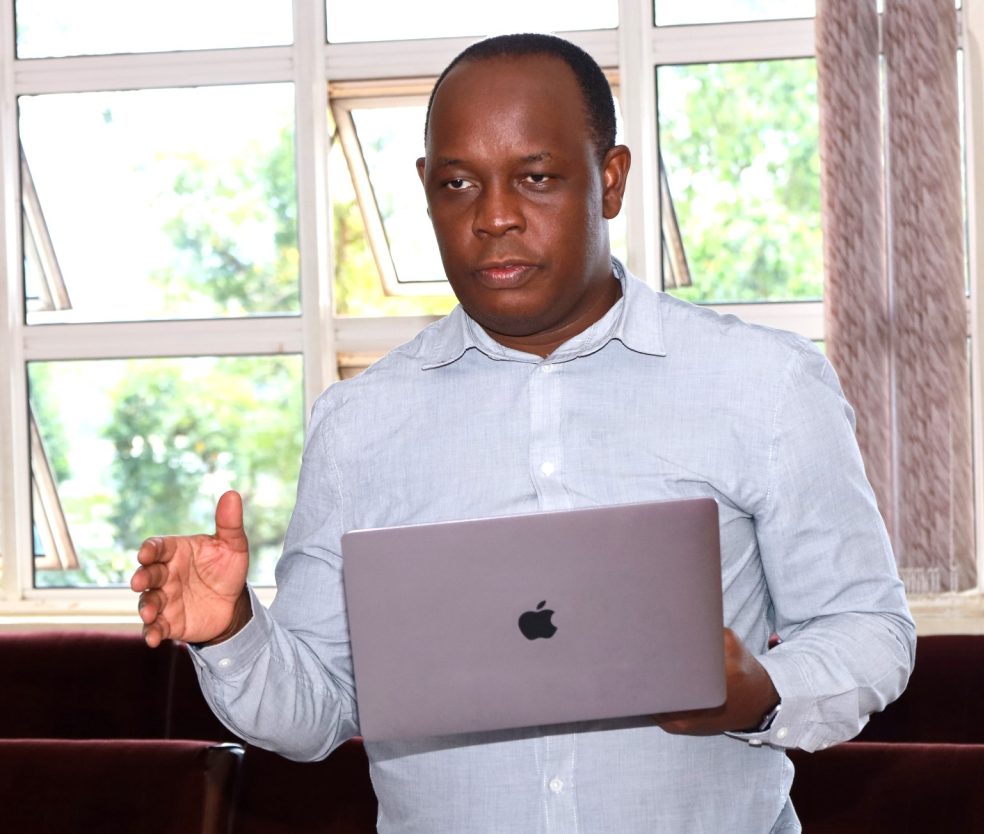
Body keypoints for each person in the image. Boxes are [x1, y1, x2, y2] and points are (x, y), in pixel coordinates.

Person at [132, 33, 914, 833]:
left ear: (609, 182)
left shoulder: (764, 384)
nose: (495, 217)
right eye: (458, 183)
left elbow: (868, 630)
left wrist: (763, 694)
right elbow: (316, 711)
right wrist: (232, 632)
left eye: (536, 178)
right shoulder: (359, 425)